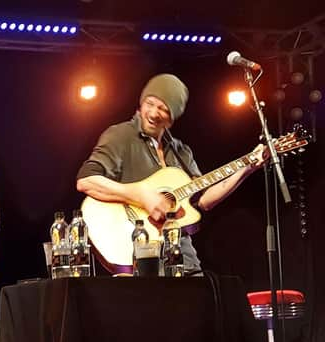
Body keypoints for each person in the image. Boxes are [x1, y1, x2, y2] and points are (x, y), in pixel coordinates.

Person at [76, 73, 266, 274]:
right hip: (141, 254)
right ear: (141, 104)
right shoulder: (120, 136)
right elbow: (86, 181)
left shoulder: (180, 151)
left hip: (182, 256)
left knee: (203, 300)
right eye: (150, 103)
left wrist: (248, 167)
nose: (154, 113)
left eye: (163, 108)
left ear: (172, 117)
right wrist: (141, 195)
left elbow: (203, 200)